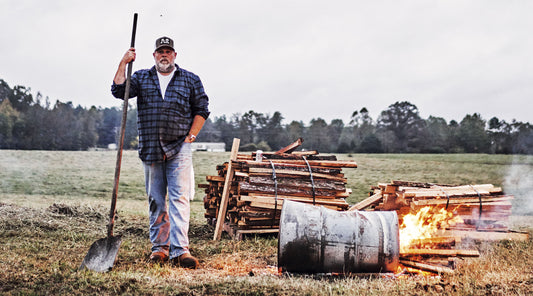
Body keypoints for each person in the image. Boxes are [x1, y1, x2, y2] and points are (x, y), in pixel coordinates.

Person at [111, 36, 209, 269]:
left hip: (179, 147)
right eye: (160, 51)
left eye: (168, 51)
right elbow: (118, 91)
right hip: (151, 147)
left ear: (175, 55)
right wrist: (123, 62)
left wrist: (191, 136)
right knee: (156, 200)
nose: (164, 55)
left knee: (179, 199)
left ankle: (180, 250)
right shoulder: (141, 77)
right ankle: (160, 248)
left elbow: (202, 110)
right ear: (154, 55)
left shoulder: (190, 79)